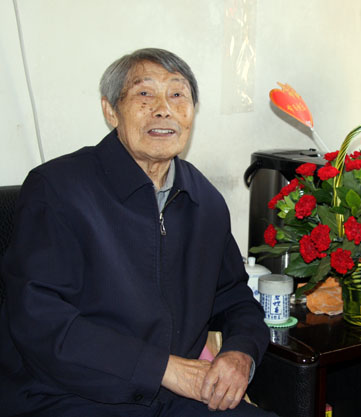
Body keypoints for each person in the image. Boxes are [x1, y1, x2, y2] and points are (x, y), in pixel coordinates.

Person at [0, 48, 276, 417]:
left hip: (172, 397)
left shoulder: (204, 202)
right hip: (66, 395)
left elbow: (235, 299)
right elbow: (40, 320)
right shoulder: (58, 189)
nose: (163, 109)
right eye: (144, 93)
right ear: (110, 110)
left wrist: (241, 352)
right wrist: (162, 369)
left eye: (177, 94)